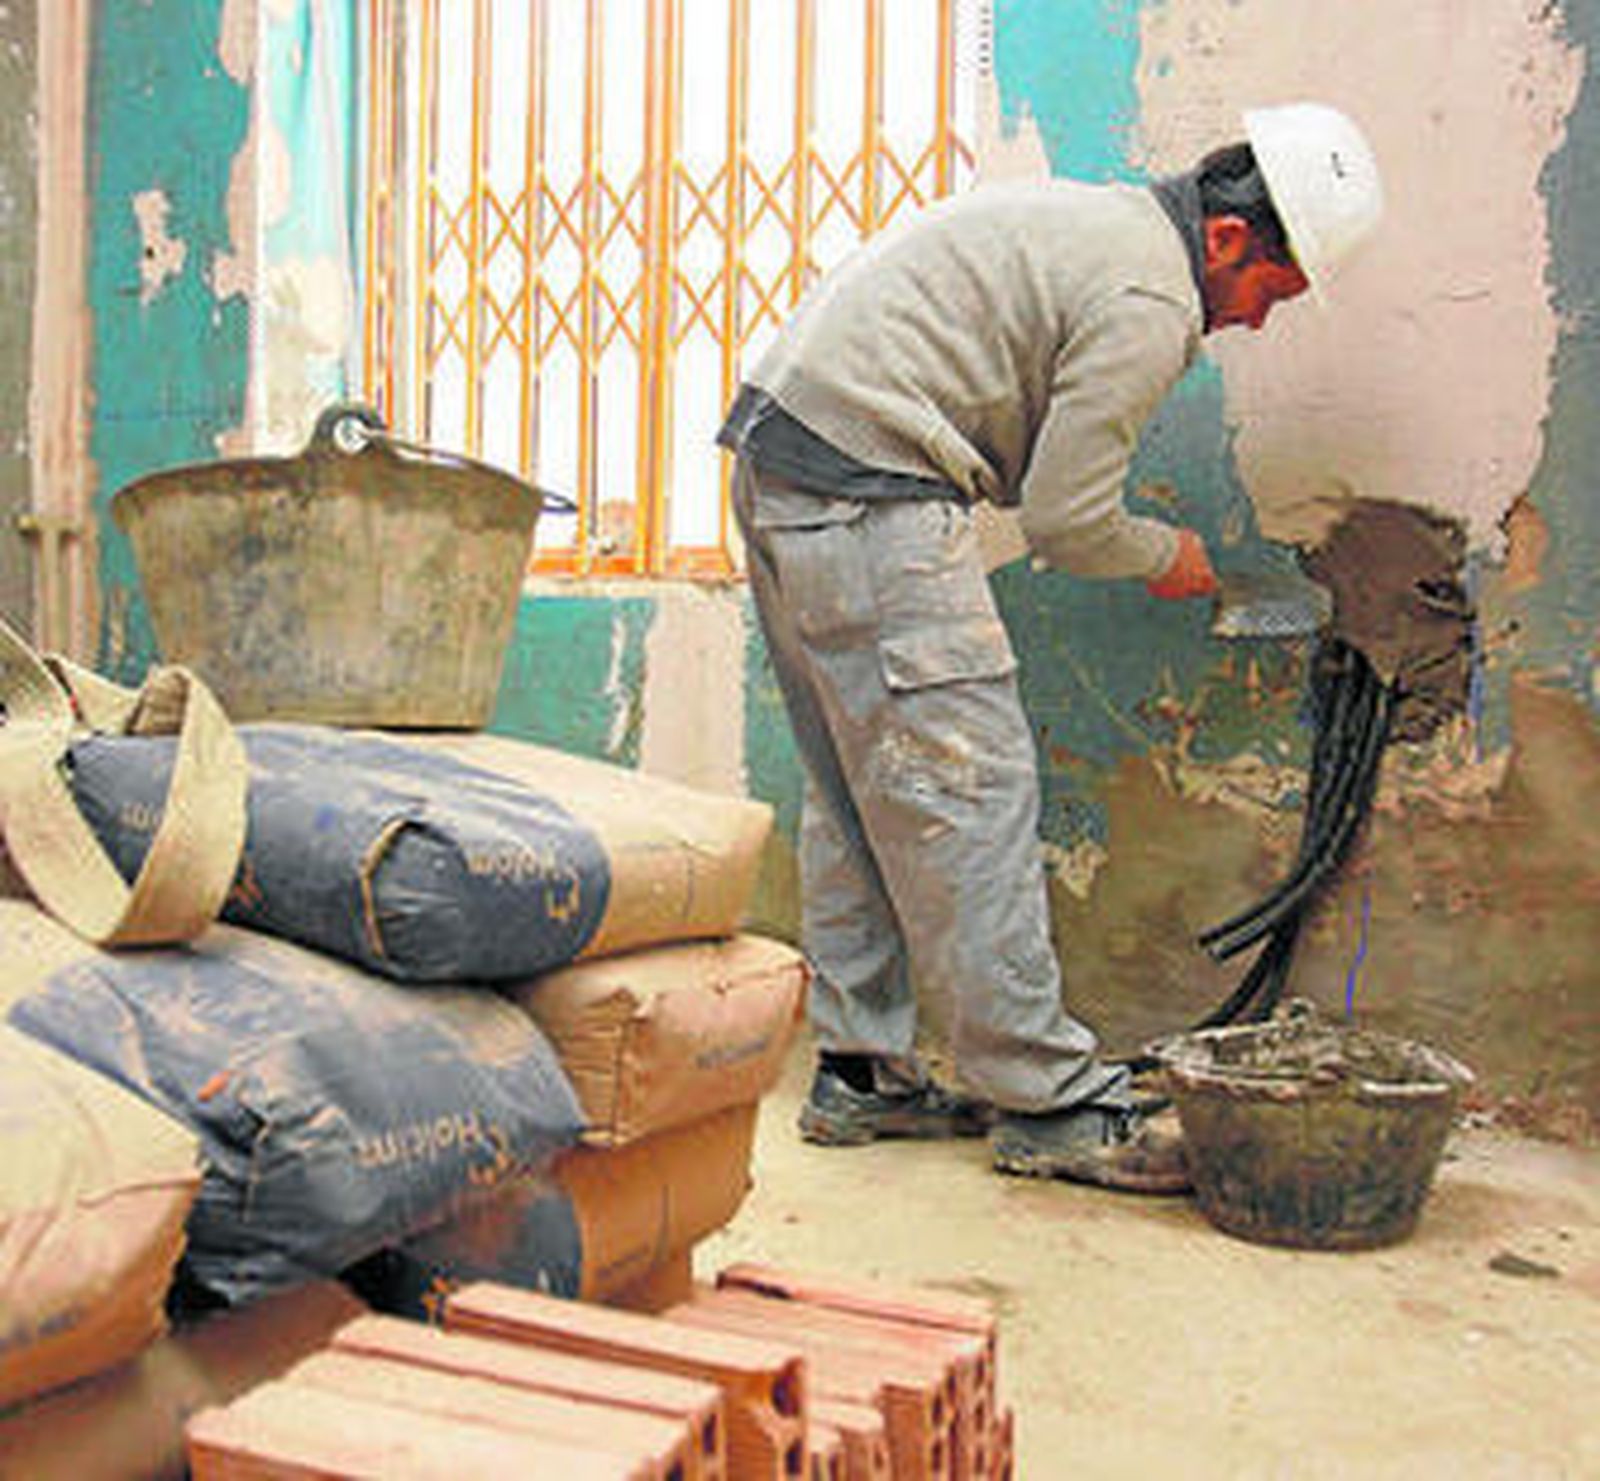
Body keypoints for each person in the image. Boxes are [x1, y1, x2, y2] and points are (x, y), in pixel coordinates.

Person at [718, 104, 1384, 1193]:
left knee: (863, 787)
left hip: (786, 463)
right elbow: (1068, 524)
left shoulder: (1105, 229)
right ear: (1226, 240)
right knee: (970, 790)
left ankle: (861, 1066)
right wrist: (1166, 551)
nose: (1259, 323)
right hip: (870, 491)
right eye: (1273, 290)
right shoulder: (1151, 295)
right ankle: (1047, 1102)